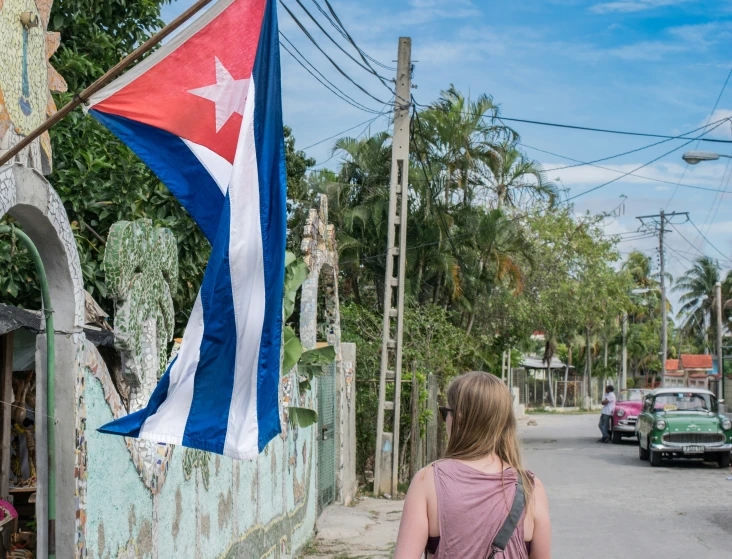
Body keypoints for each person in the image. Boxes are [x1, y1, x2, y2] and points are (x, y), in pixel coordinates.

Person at [393, 371, 551, 559]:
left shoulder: (428, 481)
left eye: (445, 413)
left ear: (458, 417)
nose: (445, 421)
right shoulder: (530, 488)